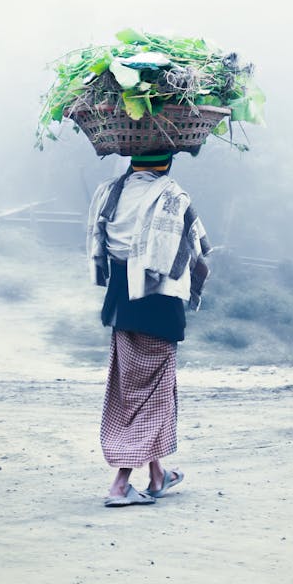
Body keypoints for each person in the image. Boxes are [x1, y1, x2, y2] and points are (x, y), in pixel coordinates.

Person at [87, 150, 211, 507]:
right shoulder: (173, 197)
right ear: (167, 163)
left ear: (132, 160)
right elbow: (197, 250)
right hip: (158, 304)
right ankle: (120, 484)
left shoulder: (111, 192)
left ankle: (158, 475)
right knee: (151, 397)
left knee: (137, 390)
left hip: (121, 303)